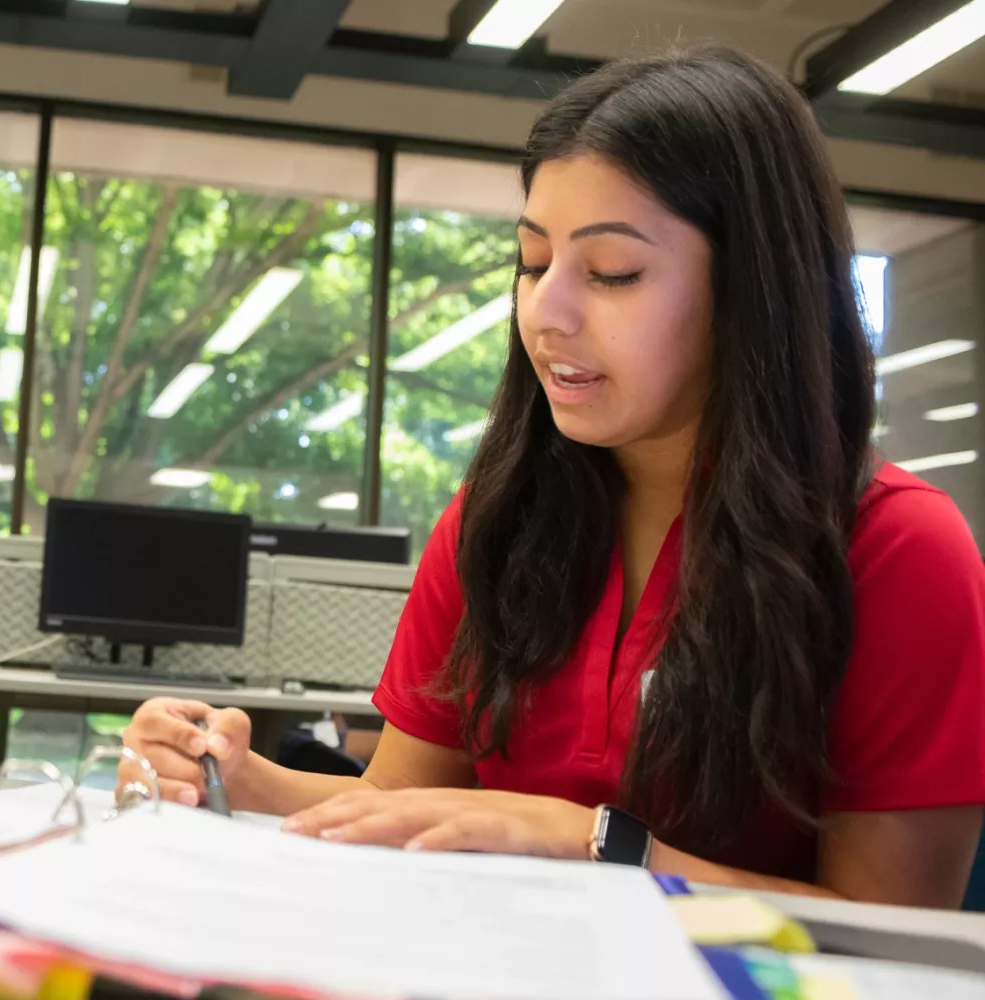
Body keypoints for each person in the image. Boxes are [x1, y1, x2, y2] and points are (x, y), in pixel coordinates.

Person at [122, 47, 985, 906]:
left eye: (612, 273)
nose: (548, 313)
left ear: (750, 291)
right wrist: (240, 775)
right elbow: (396, 807)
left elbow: (897, 929)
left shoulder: (898, 548)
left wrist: (592, 840)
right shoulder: (499, 519)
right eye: (533, 264)